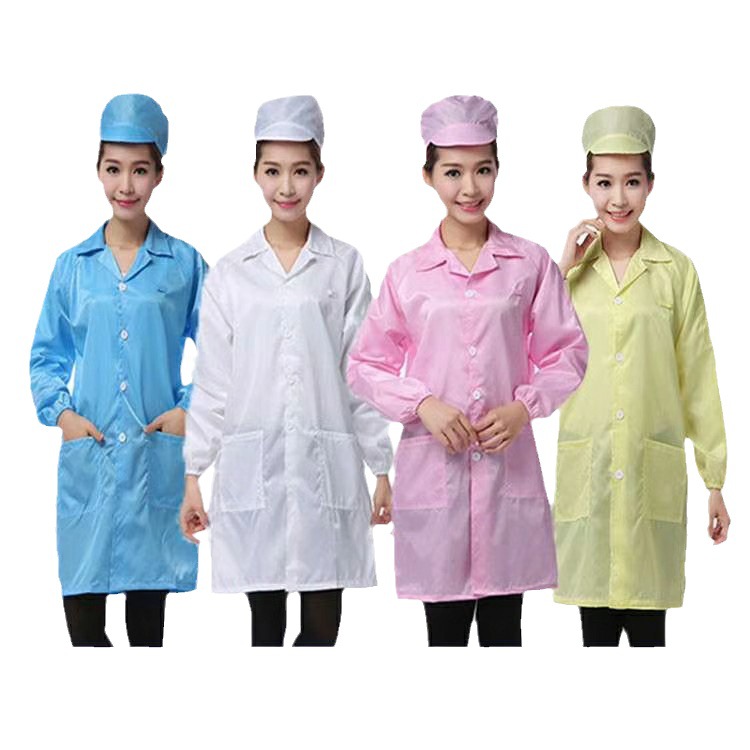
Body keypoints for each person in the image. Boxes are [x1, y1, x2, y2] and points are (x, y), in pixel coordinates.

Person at [347, 95, 588, 646]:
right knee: (445, 638)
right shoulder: (407, 273)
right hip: (437, 478)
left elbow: (567, 352)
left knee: (505, 634)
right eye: (453, 172)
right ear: (428, 176)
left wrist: (523, 407)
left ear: (498, 170)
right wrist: (422, 404)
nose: (470, 187)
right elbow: (364, 364)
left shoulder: (530, 264)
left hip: (507, 478)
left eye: (483, 170)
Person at [180, 95, 392, 647]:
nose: (286, 186)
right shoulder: (231, 274)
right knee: (266, 630)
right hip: (257, 469)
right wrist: (193, 475)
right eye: (273, 171)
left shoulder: (343, 265)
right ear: (255, 174)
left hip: (326, 467)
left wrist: (382, 466)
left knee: (322, 629)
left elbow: (361, 372)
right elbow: (213, 382)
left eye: (300, 170)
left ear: (320, 173)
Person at [30, 94, 207, 647]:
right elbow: (46, 356)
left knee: (146, 631)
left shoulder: (184, 264)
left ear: (159, 174)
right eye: (113, 169)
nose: (125, 185)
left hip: (156, 463)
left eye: (139, 170)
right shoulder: (72, 267)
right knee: (84, 629)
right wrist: (63, 416)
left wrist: (189, 409)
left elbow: (225, 353)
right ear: (98, 170)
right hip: (93, 460)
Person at [554, 105, 730, 647]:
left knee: (651, 639)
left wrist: (715, 480)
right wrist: (560, 271)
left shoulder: (676, 271)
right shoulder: (568, 277)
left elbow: (698, 375)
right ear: (586, 184)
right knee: (595, 637)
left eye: (632, 181)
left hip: (651, 477)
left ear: (651, 184)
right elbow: (527, 354)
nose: (618, 198)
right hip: (590, 474)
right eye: (605, 182)